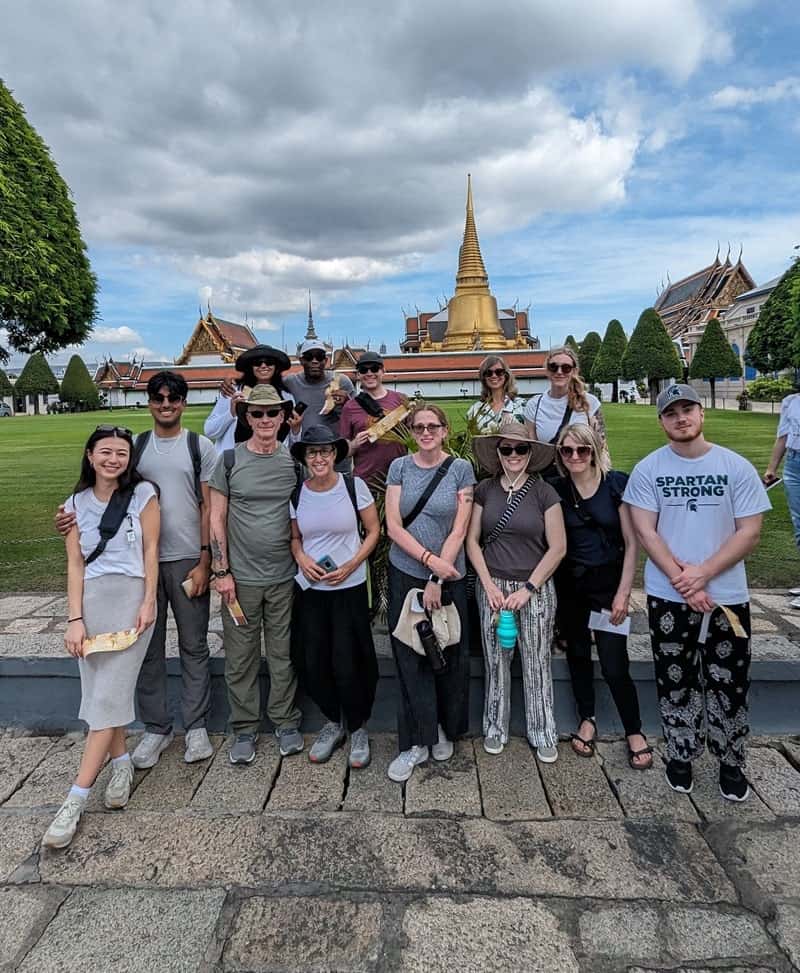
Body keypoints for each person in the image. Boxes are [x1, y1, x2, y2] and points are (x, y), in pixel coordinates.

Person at [55, 371, 218, 768]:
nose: (166, 404)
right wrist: (69, 519)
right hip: (136, 566)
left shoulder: (201, 446)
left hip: (184, 556)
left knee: (194, 644)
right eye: (159, 398)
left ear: (183, 401)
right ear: (149, 402)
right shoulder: (136, 447)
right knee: (146, 649)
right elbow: (104, 492)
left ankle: (195, 726)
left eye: (174, 398)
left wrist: (205, 560)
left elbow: (209, 507)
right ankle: (157, 727)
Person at [624, 384, 771, 801]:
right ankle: (681, 753)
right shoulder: (649, 470)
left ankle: (731, 760)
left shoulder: (735, 467)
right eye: (671, 413)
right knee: (675, 678)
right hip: (668, 594)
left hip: (726, 593)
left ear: (701, 414)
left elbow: (750, 531)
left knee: (730, 680)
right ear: (661, 421)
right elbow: (645, 531)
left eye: (687, 409)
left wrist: (702, 573)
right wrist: (681, 579)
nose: (681, 418)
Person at [43, 426, 159, 848]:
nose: (114, 460)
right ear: (90, 455)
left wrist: (149, 601)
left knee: (108, 695)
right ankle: (123, 761)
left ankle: (75, 798)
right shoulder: (72, 506)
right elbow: (75, 565)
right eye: (106, 452)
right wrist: (74, 618)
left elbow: (150, 551)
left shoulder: (144, 495)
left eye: (122, 453)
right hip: (92, 603)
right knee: (99, 694)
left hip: (131, 601)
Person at [208, 384, 303, 764]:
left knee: (282, 654)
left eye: (272, 414)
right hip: (240, 578)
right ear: (247, 418)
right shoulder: (229, 461)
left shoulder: (293, 462)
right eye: (257, 414)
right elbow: (216, 518)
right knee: (241, 656)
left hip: (283, 576)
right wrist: (221, 570)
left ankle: (285, 720)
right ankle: (244, 727)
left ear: (282, 418)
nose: (265, 420)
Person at [384, 403, 476, 782]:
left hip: (449, 573)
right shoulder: (399, 467)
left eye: (432, 426)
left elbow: (459, 527)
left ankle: (447, 727)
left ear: (444, 429)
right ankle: (417, 739)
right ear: (411, 431)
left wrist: (438, 576)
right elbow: (393, 525)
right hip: (406, 570)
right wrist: (426, 562)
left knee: (448, 653)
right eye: (419, 427)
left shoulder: (460, 469)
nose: (425, 433)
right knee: (411, 655)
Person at [553, 424, 652, 769]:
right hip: (571, 586)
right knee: (578, 655)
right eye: (567, 451)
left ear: (594, 450)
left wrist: (625, 592)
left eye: (582, 450)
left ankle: (634, 729)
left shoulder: (615, 485)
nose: (575, 457)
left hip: (609, 585)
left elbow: (632, 542)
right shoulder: (556, 489)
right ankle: (587, 717)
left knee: (614, 663)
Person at [466, 422, 565, 759]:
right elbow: (472, 541)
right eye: (506, 449)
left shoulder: (543, 492)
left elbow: (558, 547)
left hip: (533, 587)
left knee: (536, 661)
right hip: (493, 586)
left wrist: (529, 588)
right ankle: (495, 726)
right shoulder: (485, 490)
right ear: (497, 453)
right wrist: (488, 583)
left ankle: (543, 729)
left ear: (530, 453)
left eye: (520, 449)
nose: (513, 455)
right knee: (496, 661)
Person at [289, 426, 380, 767]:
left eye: (325, 452)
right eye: (312, 453)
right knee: (313, 658)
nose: (319, 458)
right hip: (313, 588)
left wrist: (352, 563)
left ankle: (357, 725)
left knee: (350, 660)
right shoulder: (299, 494)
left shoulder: (354, 487)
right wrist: (302, 559)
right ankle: (333, 720)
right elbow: (295, 538)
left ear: (335, 455)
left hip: (349, 586)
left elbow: (373, 531)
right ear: (305, 458)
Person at [524, 346, 605, 478]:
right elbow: (533, 450)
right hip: (549, 478)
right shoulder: (534, 405)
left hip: (582, 475)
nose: (559, 372)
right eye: (553, 367)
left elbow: (600, 446)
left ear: (574, 371)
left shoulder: (589, 402)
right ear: (547, 371)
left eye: (566, 368)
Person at [204, 344, 294, 453]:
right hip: (234, 461)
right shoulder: (232, 392)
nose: (263, 366)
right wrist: (231, 412)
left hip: (272, 461)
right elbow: (210, 431)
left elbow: (290, 438)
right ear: (250, 367)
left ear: (276, 367)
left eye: (269, 362)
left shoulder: (286, 397)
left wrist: (296, 428)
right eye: (257, 363)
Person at [339, 350, 407, 490]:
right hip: (366, 480)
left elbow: (416, 437)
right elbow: (345, 452)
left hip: (400, 478)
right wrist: (355, 443)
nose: (369, 373)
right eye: (364, 370)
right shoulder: (350, 407)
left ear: (383, 371)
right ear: (358, 375)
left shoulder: (401, 400)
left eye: (374, 369)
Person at [285, 339, 355, 473]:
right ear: (301, 361)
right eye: (309, 357)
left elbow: (356, 417)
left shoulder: (341, 382)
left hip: (336, 456)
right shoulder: (290, 383)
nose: (315, 361)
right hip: (306, 456)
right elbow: (266, 386)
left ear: (326, 360)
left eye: (319, 357)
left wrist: (346, 403)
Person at [763, 390, 800, 605]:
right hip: (794, 463)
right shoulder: (791, 402)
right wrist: (772, 468)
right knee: (798, 524)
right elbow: (783, 437)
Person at [466, 355, 526, 432]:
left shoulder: (522, 406)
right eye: (488, 373)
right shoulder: (475, 410)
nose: (494, 376)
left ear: (506, 375)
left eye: (499, 372)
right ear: (483, 378)